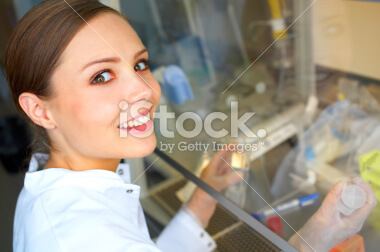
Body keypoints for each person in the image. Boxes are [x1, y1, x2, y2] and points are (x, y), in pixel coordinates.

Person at [4, 1, 376, 251]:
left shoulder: (61, 181)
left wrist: (205, 193)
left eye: (139, 65)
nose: (145, 90)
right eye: (102, 76)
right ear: (40, 110)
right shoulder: (83, 239)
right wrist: (316, 239)